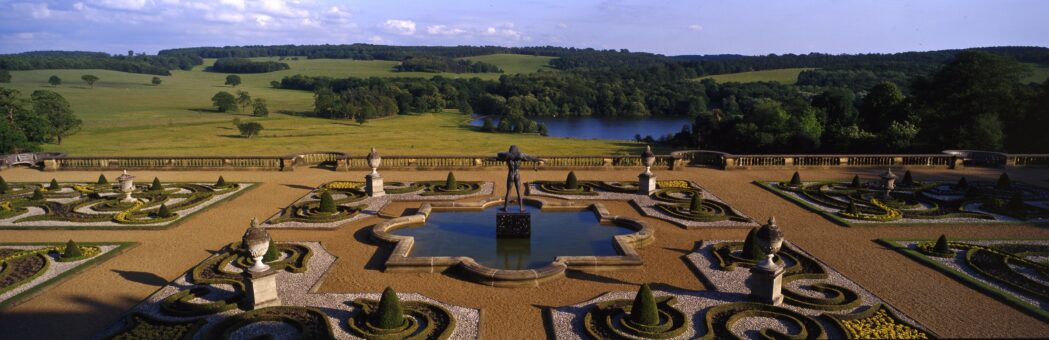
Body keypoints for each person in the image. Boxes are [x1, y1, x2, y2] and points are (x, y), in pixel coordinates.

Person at [493, 145, 544, 212]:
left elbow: (498, 154)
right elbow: (532, 158)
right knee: (519, 192)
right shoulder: (520, 155)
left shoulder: (507, 156)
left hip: (510, 174)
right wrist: (540, 159)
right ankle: (521, 208)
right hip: (517, 175)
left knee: (508, 191)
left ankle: (505, 207)